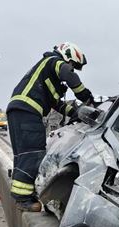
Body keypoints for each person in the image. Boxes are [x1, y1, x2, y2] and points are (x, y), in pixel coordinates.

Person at [6, 42, 93, 211]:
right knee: (34, 151)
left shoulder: (47, 76)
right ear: (68, 57)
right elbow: (68, 74)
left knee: (24, 153)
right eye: (73, 65)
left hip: (19, 110)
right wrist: (85, 96)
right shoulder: (53, 61)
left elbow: (56, 104)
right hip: (27, 110)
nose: (72, 69)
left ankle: (23, 194)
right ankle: (23, 199)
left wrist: (74, 112)